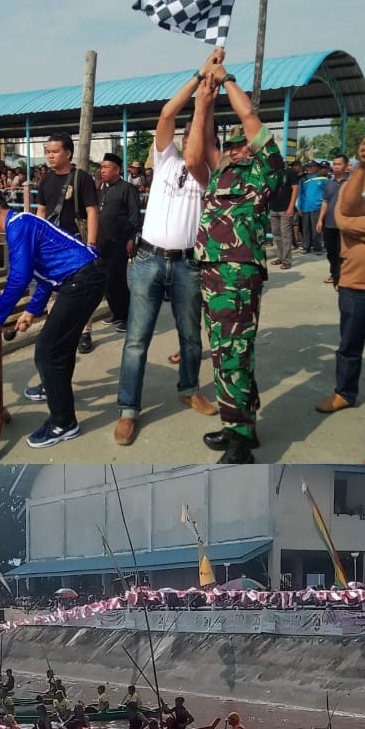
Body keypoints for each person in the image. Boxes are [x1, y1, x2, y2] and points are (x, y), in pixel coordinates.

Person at [114, 59, 220, 446]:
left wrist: (207, 104)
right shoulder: (164, 159)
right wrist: (199, 78)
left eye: (200, 136)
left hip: (189, 264)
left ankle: (189, 388)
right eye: (187, 134)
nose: (190, 138)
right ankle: (128, 410)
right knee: (137, 340)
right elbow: (166, 113)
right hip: (148, 259)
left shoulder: (209, 172)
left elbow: (200, 148)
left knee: (191, 337)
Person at [184, 55, 283, 464]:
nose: (234, 146)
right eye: (231, 144)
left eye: (241, 143)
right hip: (212, 273)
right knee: (225, 352)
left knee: (234, 353)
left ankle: (240, 443)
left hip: (238, 274)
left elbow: (249, 116)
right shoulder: (220, 173)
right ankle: (239, 427)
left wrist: (226, 79)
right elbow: (193, 155)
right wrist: (202, 99)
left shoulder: (265, 171)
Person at [0, 186, 106, 448]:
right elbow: (43, 276)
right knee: (58, 350)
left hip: (82, 281)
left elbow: (19, 276)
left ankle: (64, 423)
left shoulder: (19, 224)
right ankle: (52, 387)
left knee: (47, 352)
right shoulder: (22, 225)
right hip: (83, 279)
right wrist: (31, 310)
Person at [316, 141, 365, 415]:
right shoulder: (357, 182)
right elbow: (343, 220)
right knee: (350, 343)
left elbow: (351, 224)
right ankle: (345, 392)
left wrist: (363, 228)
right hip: (357, 279)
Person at [33, 131, 99, 355]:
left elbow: (92, 211)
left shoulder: (82, 178)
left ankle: (85, 332)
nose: (50, 156)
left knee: (80, 290)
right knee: (54, 289)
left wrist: (90, 244)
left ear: (68, 153)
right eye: (47, 152)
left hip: (76, 245)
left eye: (55, 152)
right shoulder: (46, 179)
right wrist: (35, 239)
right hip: (51, 247)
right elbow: (41, 210)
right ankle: (57, 328)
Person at [95, 153, 141, 332]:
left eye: (106, 167)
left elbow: (135, 216)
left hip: (119, 242)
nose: (102, 170)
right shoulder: (102, 189)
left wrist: (132, 238)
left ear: (117, 170)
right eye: (102, 167)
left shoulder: (127, 188)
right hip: (102, 243)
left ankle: (128, 317)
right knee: (106, 281)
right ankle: (116, 313)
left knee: (118, 281)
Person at [317, 154, 350, 288]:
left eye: (339, 164)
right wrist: (320, 220)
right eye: (334, 164)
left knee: (342, 252)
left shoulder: (351, 182)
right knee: (330, 252)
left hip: (344, 224)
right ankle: (334, 274)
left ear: (346, 166)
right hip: (329, 223)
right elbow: (325, 202)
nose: (336, 167)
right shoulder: (329, 183)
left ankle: (339, 278)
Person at [267, 153, 299, 272]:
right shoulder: (270, 173)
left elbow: (295, 189)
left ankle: (287, 260)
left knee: (286, 235)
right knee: (276, 234)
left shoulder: (289, 172)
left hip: (286, 208)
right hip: (273, 208)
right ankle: (280, 257)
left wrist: (291, 207)